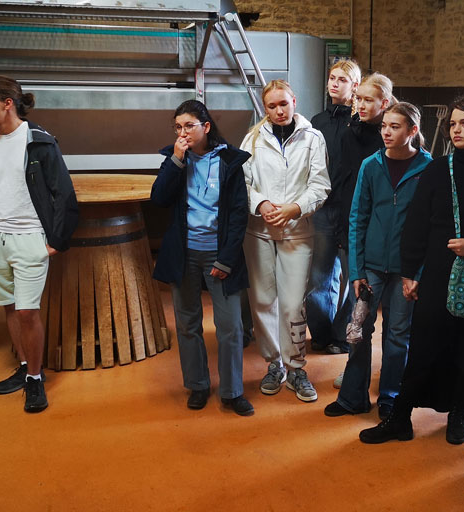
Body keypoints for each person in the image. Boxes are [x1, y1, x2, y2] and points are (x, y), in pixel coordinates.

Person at [359, 96, 464, 444]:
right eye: (453, 123)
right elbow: (417, 223)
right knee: (423, 344)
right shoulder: (438, 168)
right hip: (437, 270)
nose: (456, 130)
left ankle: (458, 413)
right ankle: (401, 416)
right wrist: (410, 271)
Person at [0, 76, 78, 413]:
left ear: (7, 104)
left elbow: (64, 194)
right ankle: (24, 366)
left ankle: (34, 378)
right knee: (9, 307)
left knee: (28, 312)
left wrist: (57, 241)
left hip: (28, 237)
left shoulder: (39, 142)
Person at [323, 102, 431, 420]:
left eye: (395, 127)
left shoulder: (428, 168)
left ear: (412, 131)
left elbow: (430, 225)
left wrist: (418, 273)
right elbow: (358, 218)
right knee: (358, 329)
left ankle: (390, 398)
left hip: (406, 269)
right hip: (370, 267)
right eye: (384, 126)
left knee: (398, 335)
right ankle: (352, 397)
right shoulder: (371, 165)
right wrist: (356, 271)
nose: (386, 132)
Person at [151, 100, 254, 416]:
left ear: (206, 127)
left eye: (189, 126)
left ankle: (232, 392)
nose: (182, 133)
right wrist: (176, 160)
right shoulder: (175, 160)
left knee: (230, 325)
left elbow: (238, 215)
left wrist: (226, 259)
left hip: (219, 254)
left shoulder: (229, 161)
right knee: (187, 323)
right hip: (184, 254)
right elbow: (159, 199)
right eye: (177, 127)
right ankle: (197, 385)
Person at [242, 79, 331, 402]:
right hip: (259, 232)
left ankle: (295, 368)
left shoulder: (313, 138)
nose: (279, 111)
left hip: (297, 230)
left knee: (293, 302)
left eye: (284, 103)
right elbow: (242, 182)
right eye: (272, 106)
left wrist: (295, 208)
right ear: (265, 108)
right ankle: (274, 364)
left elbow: (320, 185)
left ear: (295, 101)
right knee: (263, 300)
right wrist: (261, 204)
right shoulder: (252, 139)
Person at [308, 59, 361, 355]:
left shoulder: (362, 124)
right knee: (319, 276)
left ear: (355, 86)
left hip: (352, 210)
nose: (335, 83)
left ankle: (341, 335)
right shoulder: (317, 121)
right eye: (332, 78)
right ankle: (322, 333)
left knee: (354, 277)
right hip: (324, 209)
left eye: (342, 79)